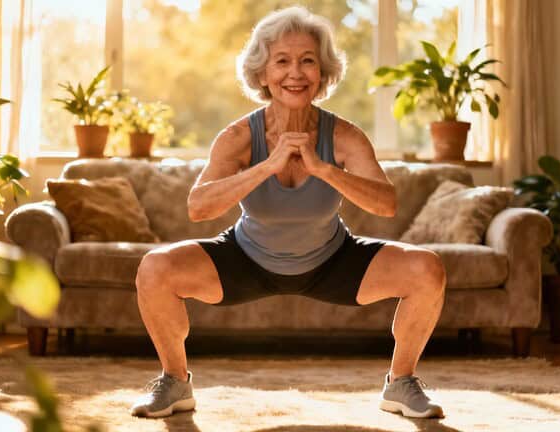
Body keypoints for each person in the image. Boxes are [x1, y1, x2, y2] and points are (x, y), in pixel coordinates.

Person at [130, 6, 446, 419]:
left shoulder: (345, 136)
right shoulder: (238, 137)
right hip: (247, 258)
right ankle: (175, 381)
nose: (295, 73)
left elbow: (385, 203)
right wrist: (265, 166)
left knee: (428, 269)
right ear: (262, 74)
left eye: (307, 61)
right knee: (155, 268)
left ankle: (401, 383)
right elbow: (198, 207)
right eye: (282, 61)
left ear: (323, 73)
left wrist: (323, 168)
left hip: (332, 259)